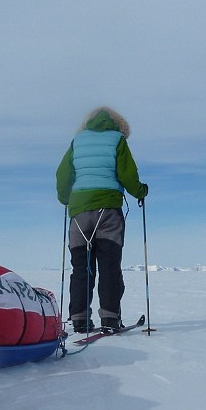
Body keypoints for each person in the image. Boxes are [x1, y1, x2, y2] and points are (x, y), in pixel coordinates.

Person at [56, 106, 148, 333]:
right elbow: (127, 174)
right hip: (108, 211)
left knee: (81, 267)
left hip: (79, 213)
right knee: (109, 266)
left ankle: (79, 319)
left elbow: (63, 174)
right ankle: (110, 318)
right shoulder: (117, 140)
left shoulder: (77, 141)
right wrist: (140, 191)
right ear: (119, 125)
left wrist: (66, 198)